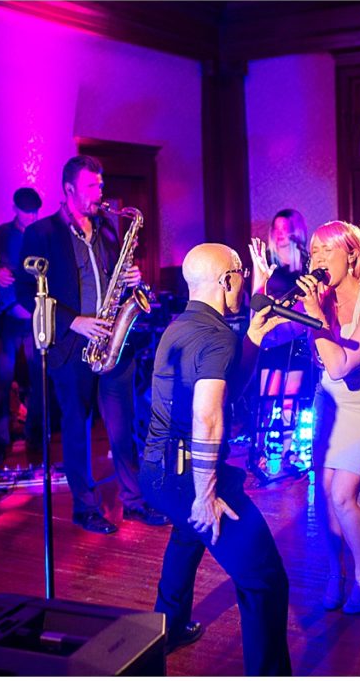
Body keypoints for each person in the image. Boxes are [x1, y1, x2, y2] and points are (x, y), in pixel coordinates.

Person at [138, 243, 292, 674]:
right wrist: (205, 494)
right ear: (227, 281)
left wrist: (255, 336)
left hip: (157, 472)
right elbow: (207, 418)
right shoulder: (216, 336)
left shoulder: (180, 327)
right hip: (189, 475)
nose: (242, 281)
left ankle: (167, 629)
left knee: (189, 536)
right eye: (240, 273)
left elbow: (227, 388)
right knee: (265, 580)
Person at [16, 155, 168, 534]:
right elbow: (23, 290)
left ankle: (133, 501)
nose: (99, 193)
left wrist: (134, 279)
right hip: (73, 346)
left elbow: (118, 280)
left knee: (122, 427)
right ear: (68, 190)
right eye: (90, 187)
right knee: (76, 427)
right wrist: (74, 322)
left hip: (113, 344)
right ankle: (84, 508)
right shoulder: (42, 235)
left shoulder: (109, 231)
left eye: (100, 185)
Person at [295, 220, 360, 614]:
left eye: (326, 251)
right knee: (324, 496)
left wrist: (314, 316)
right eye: (313, 253)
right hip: (332, 406)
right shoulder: (320, 299)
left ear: (351, 254)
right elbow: (297, 346)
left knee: (343, 494)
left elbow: (339, 366)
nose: (317, 260)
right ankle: (334, 574)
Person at [0, 187, 43, 470]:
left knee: (39, 379)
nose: (31, 216)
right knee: (1, 380)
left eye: (35, 211)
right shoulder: (2, 234)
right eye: (26, 211)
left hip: (34, 317)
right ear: (15, 209)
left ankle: (37, 439)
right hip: (5, 319)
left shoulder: (41, 234)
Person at [255, 209, 312, 470]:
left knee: (291, 398)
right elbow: (256, 297)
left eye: (284, 228)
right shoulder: (268, 262)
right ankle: (260, 450)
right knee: (267, 397)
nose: (279, 234)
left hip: (297, 338)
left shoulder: (308, 264)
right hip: (272, 337)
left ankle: (288, 452)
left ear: (295, 230)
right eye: (275, 228)